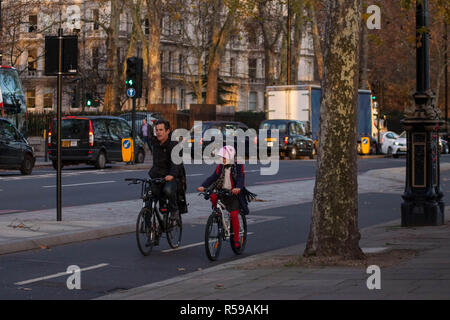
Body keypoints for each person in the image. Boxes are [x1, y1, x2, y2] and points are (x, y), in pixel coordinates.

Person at [197, 145, 255, 249]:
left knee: (233, 215)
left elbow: (241, 178)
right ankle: (217, 214)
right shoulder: (220, 167)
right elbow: (212, 177)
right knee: (213, 195)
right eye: (221, 157)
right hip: (222, 192)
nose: (222, 159)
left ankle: (237, 239)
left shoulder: (238, 166)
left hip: (234, 194)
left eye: (224, 157)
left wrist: (238, 188)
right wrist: (203, 186)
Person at [149, 119, 186, 227]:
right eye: (156, 130)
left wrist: (172, 175)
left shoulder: (175, 145)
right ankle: (148, 227)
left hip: (173, 177)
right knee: (148, 196)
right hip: (157, 177)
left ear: (168, 131)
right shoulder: (155, 143)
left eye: (161, 130)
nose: (158, 132)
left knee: (168, 190)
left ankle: (174, 210)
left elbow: (176, 164)